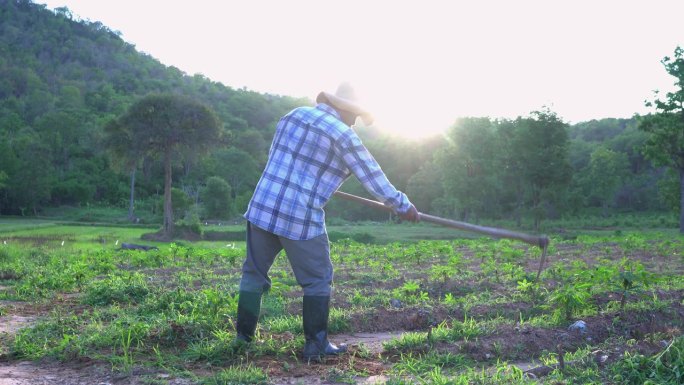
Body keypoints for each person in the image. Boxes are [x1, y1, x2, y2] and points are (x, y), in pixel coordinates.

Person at [235, 83, 419, 362]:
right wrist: (403, 206)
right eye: (355, 115)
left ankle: (242, 340)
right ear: (345, 108)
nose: (355, 121)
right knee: (318, 280)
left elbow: (278, 158)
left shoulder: (293, 115)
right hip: (300, 215)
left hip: (263, 205)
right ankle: (316, 345)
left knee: (253, 275)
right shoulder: (344, 135)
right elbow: (372, 176)